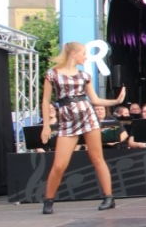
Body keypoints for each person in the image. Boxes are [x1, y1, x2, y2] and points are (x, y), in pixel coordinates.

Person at [40, 42, 126, 214]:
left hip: (88, 116)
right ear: (73, 54)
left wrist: (116, 101)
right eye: (83, 53)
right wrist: (46, 126)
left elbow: (94, 100)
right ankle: (48, 200)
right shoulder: (52, 74)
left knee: (97, 158)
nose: (85, 57)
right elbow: (45, 100)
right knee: (59, 164)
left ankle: (109, 197)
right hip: (67, 119)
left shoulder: (84, 76)